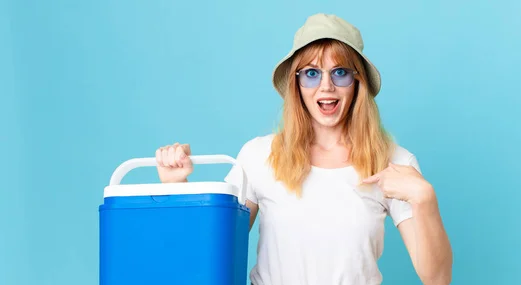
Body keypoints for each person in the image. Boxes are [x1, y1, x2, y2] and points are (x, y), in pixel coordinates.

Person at [154, 13, 452, 285]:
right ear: (296, 84)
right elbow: (209, 255)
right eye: (311, 73)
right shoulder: (259, 157)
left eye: (340, 73)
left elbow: (437, 278)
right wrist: (175, 188)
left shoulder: (393, 162)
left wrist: (425, 199)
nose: (326, 87)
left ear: (357, 83)